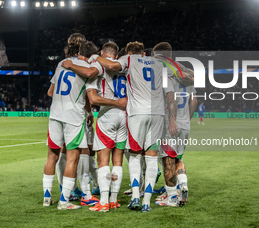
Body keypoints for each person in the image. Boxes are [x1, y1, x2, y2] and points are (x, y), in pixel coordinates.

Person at [87, 41, 171, 212]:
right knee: (151, 157)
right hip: (157, 113)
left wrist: (95, 56)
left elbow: (110, 65)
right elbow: (170, 88)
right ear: (143, 53)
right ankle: (146, 201)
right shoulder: (157, 62)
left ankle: (131, 197)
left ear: (128, 53)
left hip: (135, 113)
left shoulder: (128, 61)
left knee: (133, 155)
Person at [62, 42, 127, 211]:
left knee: (103, 159)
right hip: (124, 117)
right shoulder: (123, 67)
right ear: (116, 56)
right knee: (118, 161)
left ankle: (104, 202)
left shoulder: (97, 66)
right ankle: (114, 200)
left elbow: (94, 99)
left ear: (102, 53)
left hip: (108, 116)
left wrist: (115, 104)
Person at [43, 41, 96, 210]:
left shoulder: (62, 63)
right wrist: (89, 113)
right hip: (73, 117)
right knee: (72, 158)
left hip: (55, 115)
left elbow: (50, 92)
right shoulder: (88, 70)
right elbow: (88, 98)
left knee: (52, 157)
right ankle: (64, 201)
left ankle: (46, 198)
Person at [152, 42, 197, 207]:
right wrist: (187, 119)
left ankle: (171, 197)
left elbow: (170, 98)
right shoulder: (185, 75)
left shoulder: (166, 74)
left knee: (167, 160)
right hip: (185, 123)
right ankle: (182, 184)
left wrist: (172, 120)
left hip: (170, 123)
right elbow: (194, 101)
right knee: (178, 157)